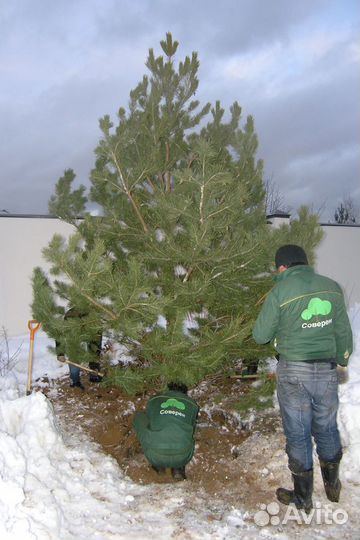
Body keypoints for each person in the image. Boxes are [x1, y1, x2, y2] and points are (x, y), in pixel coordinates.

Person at [252, 244, 353, 513]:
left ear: (282, 267)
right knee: (326, 427)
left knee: (298, 434)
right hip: (327, 370)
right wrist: (341, 360)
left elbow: (260, 335)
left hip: (294, 372)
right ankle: (333, 487)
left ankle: (303, 498)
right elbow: (343, 331)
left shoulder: (280, 291)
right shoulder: (331, 287)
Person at [133, 382, 199, 480]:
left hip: (155, 455)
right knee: (188, 428)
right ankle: (178, 468)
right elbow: (192, 424)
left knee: (139, 417)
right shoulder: (192, 404)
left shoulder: (155, 400)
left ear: (168, 390)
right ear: (185, 393)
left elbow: (150, 416)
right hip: (183, 456)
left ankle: (159, 466)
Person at [56, 308, 102, 389]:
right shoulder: (70, 318)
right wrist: (60, 353)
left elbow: (96, 343)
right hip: (73, 335)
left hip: (90, 332)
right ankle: (74, 381)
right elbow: (59, 336)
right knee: (74, 355)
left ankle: (94, 374)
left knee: (93, 350)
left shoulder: (94, 320)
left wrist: (94, 364)